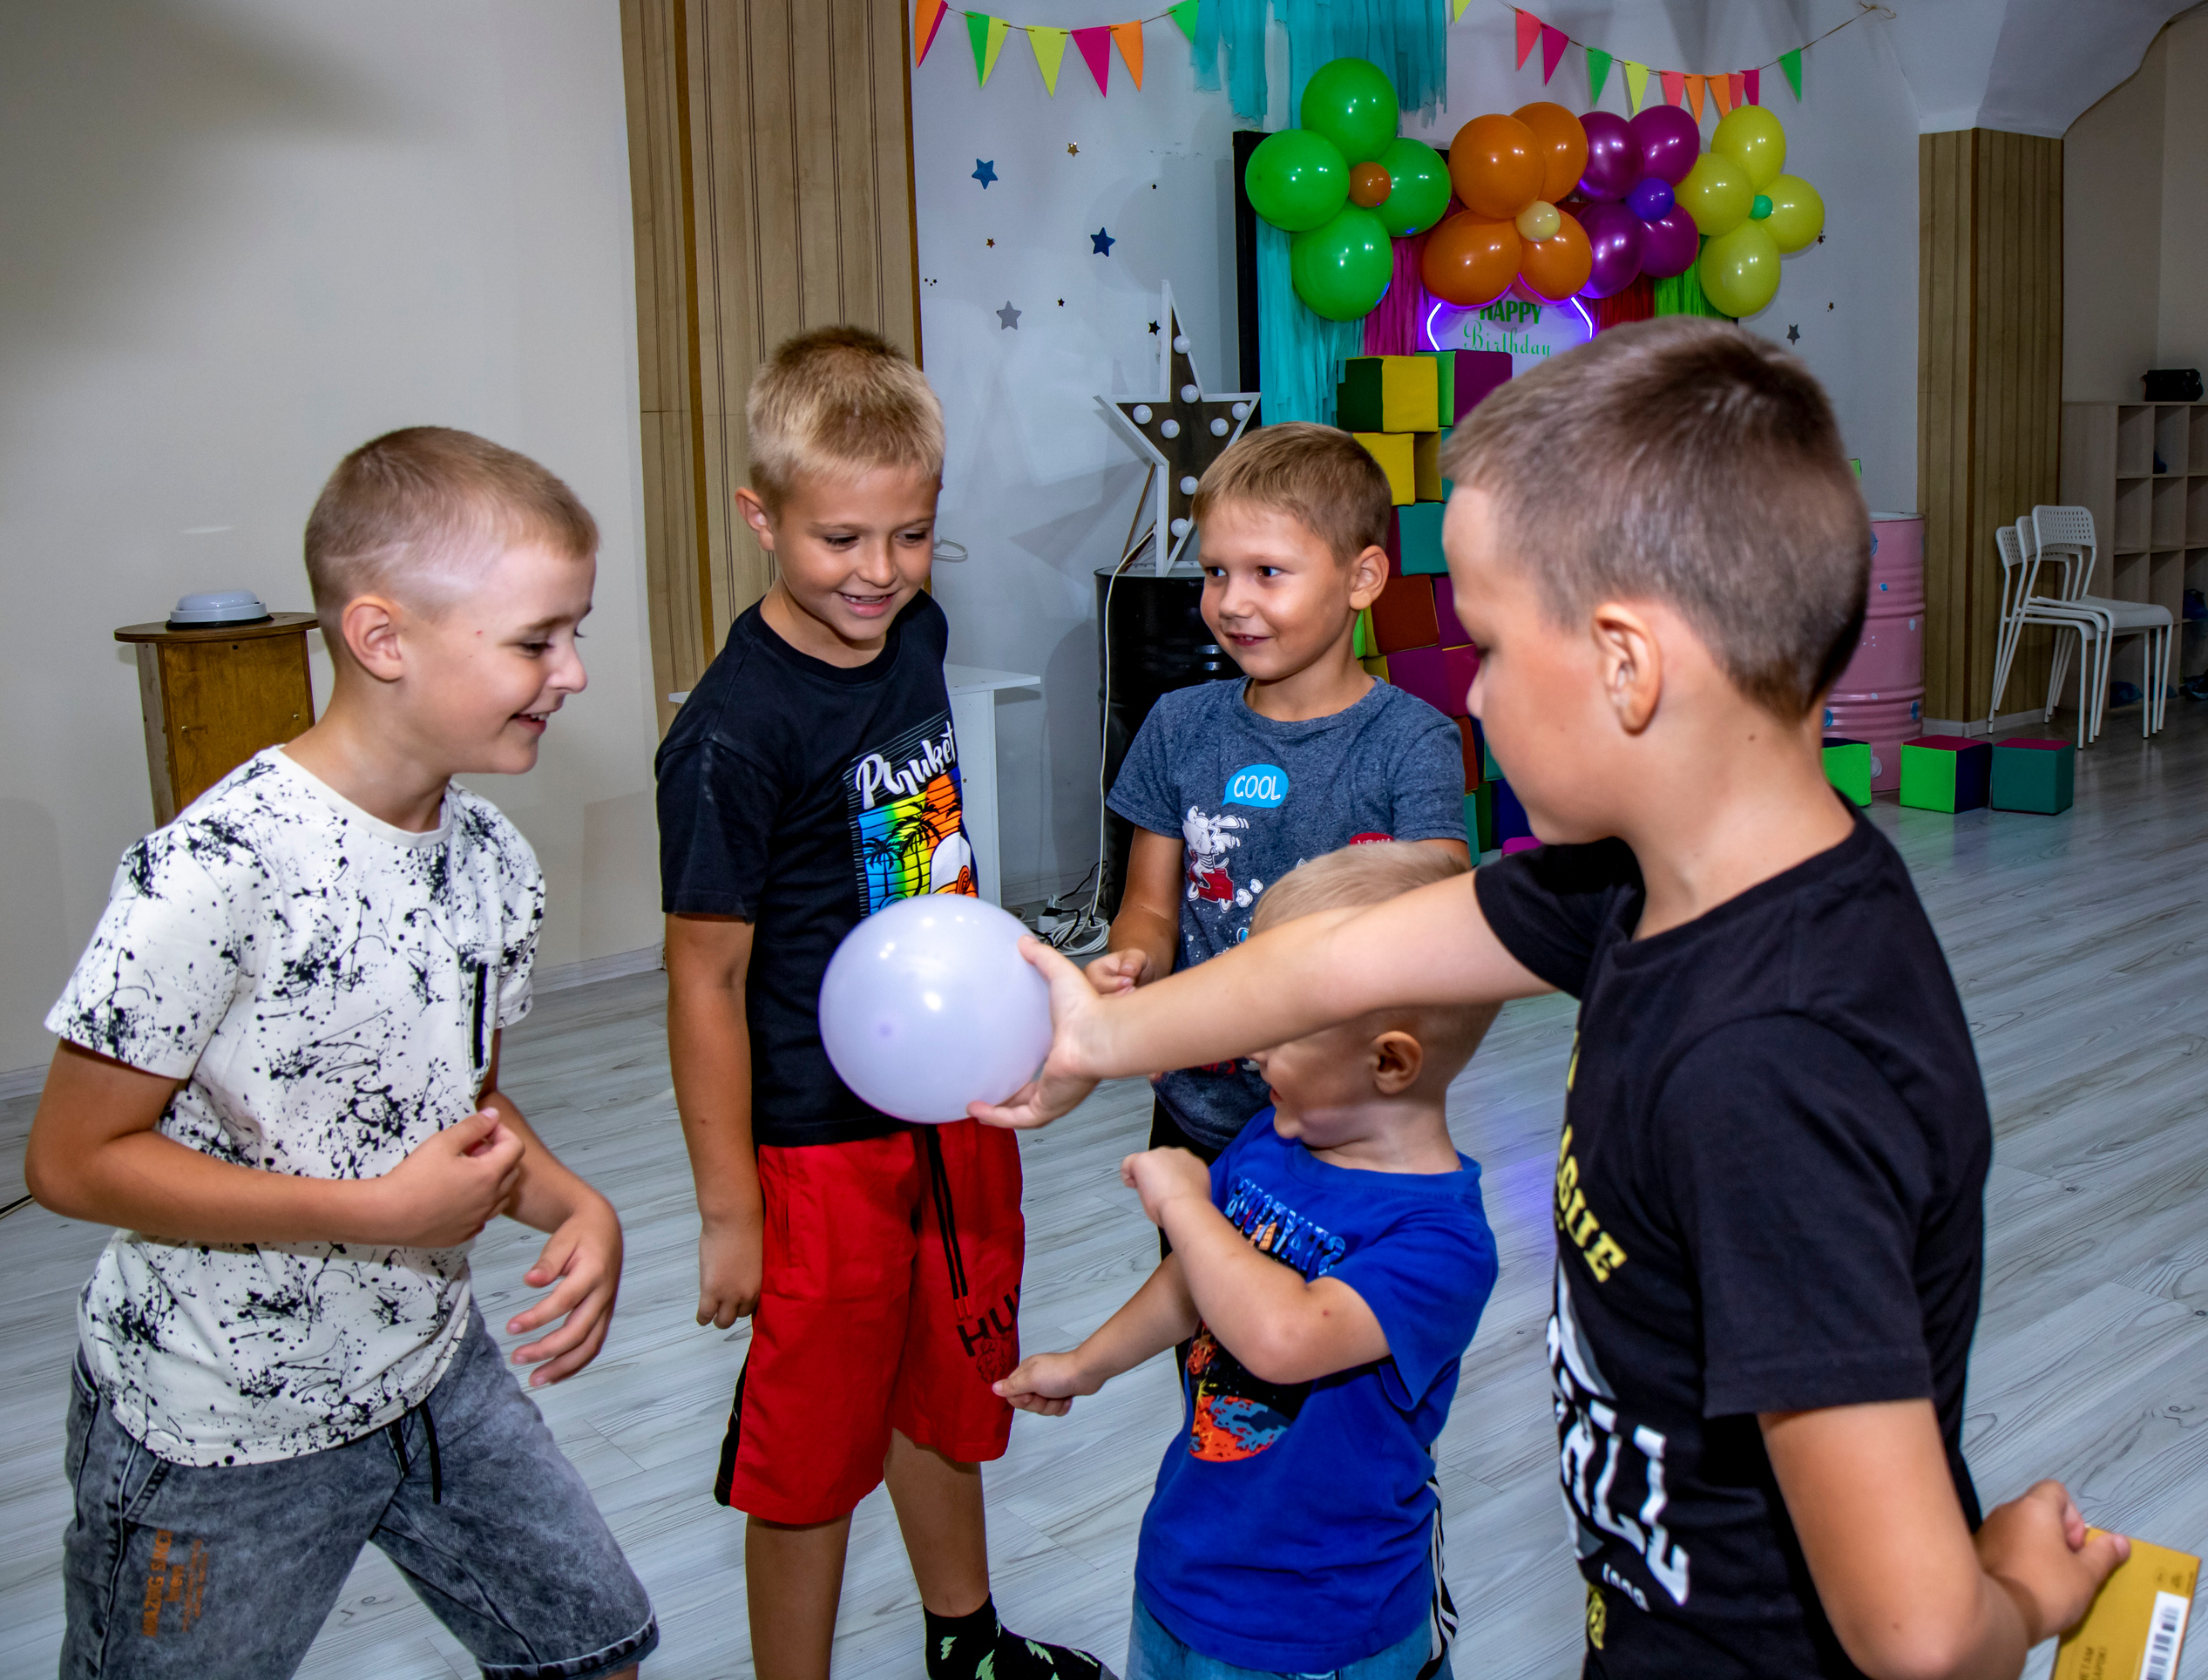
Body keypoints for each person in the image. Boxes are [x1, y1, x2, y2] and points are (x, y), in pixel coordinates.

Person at [973, 319, 2130, 1680]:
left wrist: (2019, 1593)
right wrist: (1101, 1034)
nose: (1474, 694)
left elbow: (1922, 1636)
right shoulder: (1643, 885)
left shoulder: (1777, 1069)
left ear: (1628, 664)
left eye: (1492, 651)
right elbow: (1342, 958)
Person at [24, 428, 656, 1680]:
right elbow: (71, 1159)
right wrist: (371, 1212)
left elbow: (464, 1103)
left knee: (594, 1649)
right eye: (538, 639)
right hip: (219, 1430)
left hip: (430, 1373)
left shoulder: (493, 865)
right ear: (382, 639)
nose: (573, 671)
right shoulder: (214, 872)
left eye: (574, 632)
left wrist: (575, 1201)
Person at [655, 326, 1106, 1680]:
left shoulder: (919, 634)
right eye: (841, 539)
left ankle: (962, 1643)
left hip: (955, 1109)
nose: (879, 573)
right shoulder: (731, 735)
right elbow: (704, 978)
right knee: (809, 1446)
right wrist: (732, 1212)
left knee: (949, 1385)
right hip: (815, 1138)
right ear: (761, 517)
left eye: (910, 536)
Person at [999, 842, 1497, 1680]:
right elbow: (1194, 1285)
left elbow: (1285, 1337)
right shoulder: (1271, 1139)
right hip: (1185, 1571)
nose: (1250, 1051)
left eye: (1278, 1029)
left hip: (1322, 1624)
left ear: (1390, 1060)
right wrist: (1091, 1364)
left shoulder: (1441, 1240)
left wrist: (1187, 1205)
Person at [1094, 421, 1471, 1175]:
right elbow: (1152, 906)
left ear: (1363, 578)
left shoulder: (1413, 743)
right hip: (1196, 1113)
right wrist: (1134, 967)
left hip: (1349, 1126)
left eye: (1267, 572)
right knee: (1196, 1288)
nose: (1231, 602)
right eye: (1215, 572)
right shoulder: (1178, 725)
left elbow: (1440, 930)